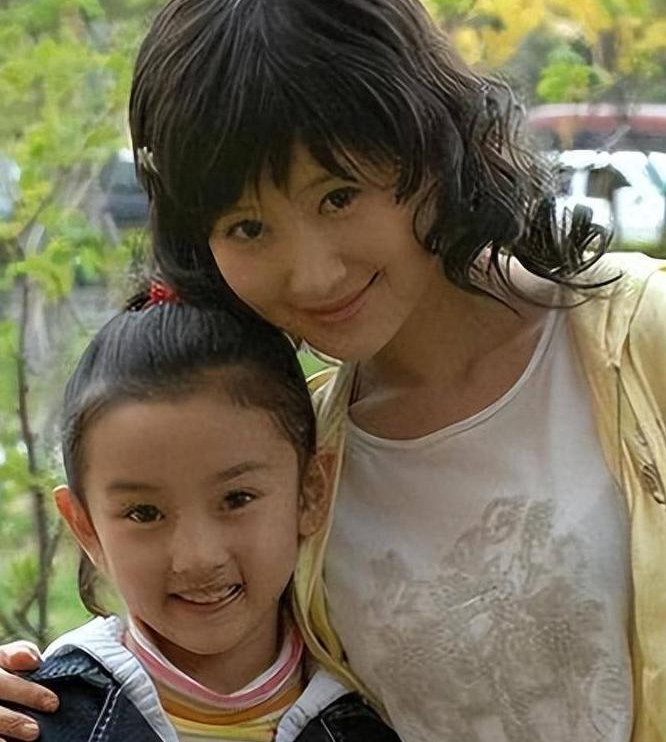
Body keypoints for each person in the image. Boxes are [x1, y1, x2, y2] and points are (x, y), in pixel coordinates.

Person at [0, 0, 666, 740]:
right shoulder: (291, 454)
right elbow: (205, 667)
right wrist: (39, 690)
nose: (313, 275)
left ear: (428, 144)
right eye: (247, 227)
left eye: (338, 196)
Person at [0, 285, 400, 742]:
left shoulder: (385, 712)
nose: (198, 557)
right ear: (85, 527)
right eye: (144, 513)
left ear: (310, 492)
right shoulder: (37, 720)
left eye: (237, 499)